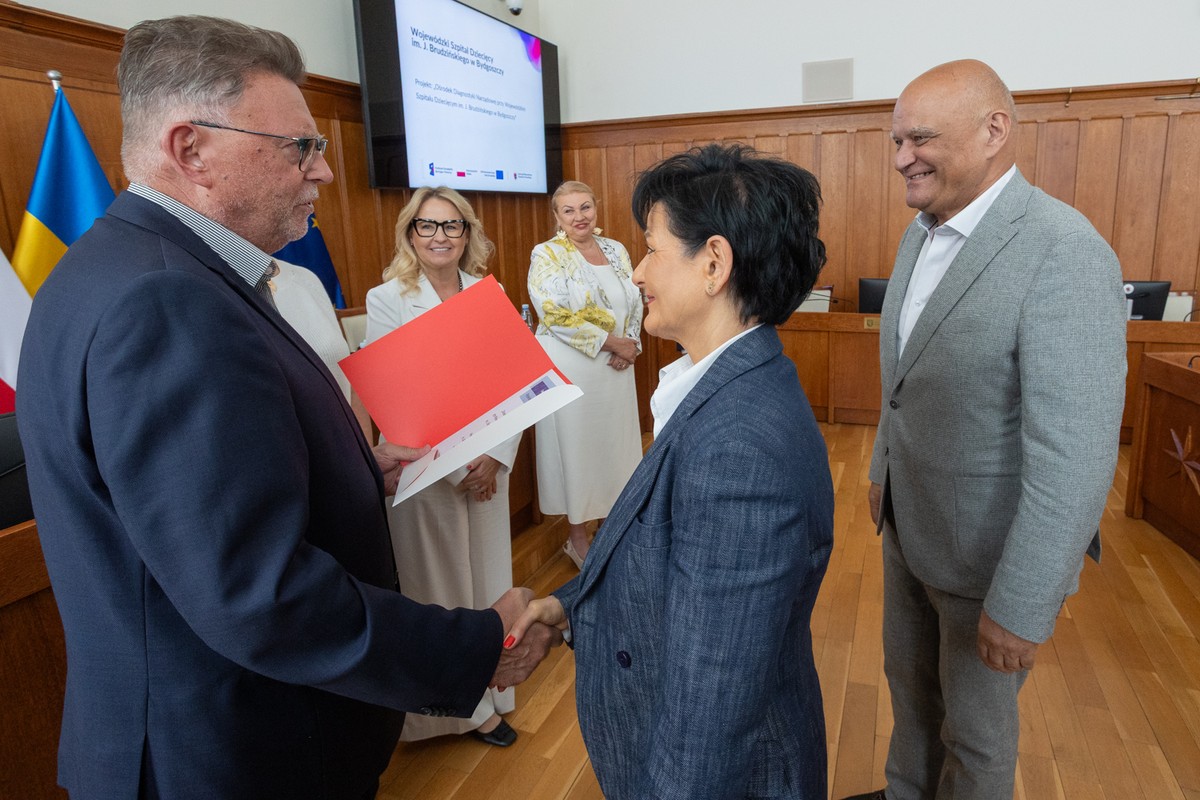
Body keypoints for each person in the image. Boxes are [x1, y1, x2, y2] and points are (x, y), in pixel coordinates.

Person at [15, 16, 556, 800]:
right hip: (229, 754)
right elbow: (255, 592)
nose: (324, 172)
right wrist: (470, 646)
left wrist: (355, 470)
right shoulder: (169, 302)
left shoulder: (115, 266)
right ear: (190, 150)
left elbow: (203, 504)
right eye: (299, 147)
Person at [509, 143, 835, 799]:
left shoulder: (740, 452)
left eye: (653, 250)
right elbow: (671, 567)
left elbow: (710, 705)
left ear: (714, 263)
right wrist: (566, 607)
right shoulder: (721, 386)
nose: (637, 273)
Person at [842, 60, 1127, 800]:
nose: (902, 157)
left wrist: (1023, 603)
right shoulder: (920, 234)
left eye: (921, 138)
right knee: (911, 699)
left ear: (995, 130)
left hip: (987, 561)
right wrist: (880, 468)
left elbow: (1075, 457)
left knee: (975, 737)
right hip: (908, 525)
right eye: (897, 141)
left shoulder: (1064, 250)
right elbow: (904, 377)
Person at [364, 187, 522, 747]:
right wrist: (461, 465)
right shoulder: (387, 299)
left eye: (452, 226)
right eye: (427, 226)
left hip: (489, 467)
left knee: (489, 583)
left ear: (467, 233)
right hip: (424, 468)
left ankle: (494, 689)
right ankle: (458, 710)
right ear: (411, 234)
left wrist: (495, 456)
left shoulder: (487, 293)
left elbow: (515, 381)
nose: (440, 236)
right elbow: (398, 391)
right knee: (438, 593)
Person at [527, 180, 642, 567]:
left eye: (585, 207)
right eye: (569, 210)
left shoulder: (616, 249)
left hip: (617, 369)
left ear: (596, 208)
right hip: (572, 369)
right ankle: (578, 539)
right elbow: (554, 314)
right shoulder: (547, 254)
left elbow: (635, 300)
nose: (579, 216)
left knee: (614, 451)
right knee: (578, 453)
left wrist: (631, 344)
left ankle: (611, 530)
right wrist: (614, 343)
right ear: (557, 216)